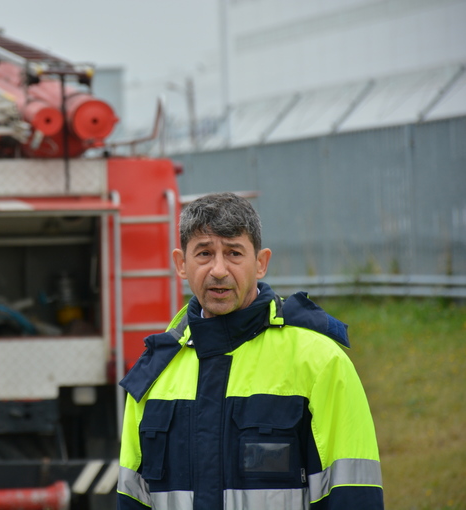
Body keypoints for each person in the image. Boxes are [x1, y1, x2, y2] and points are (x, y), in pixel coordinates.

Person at [117, 193, 383, 509]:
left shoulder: (319, 361)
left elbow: (354, 495)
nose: (218, 269)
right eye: (204, 253)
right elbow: (133, 499)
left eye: (233, 253)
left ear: (260, 263)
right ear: (181, 265)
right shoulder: (155, 371)